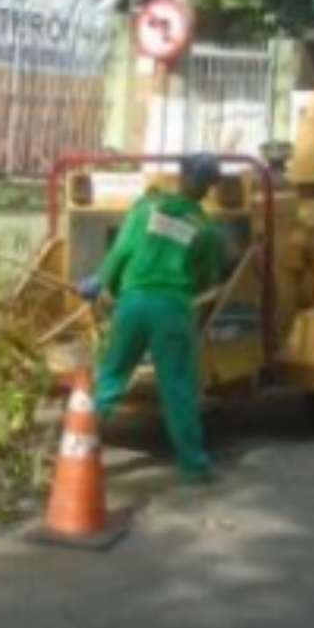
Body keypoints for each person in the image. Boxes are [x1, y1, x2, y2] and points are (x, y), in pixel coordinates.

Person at [77, 153, 227, 483]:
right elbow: (207, 283)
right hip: (172, 310)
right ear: (206, 188)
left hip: (130, 305)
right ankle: (194, 468)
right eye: (207, 184)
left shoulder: (144, 209)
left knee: (110, 379)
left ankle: (77, 454)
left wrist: (100, 281)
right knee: (177, 388)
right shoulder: (207, 232)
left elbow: (120, 253)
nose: (204, 190)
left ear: (180, 176)